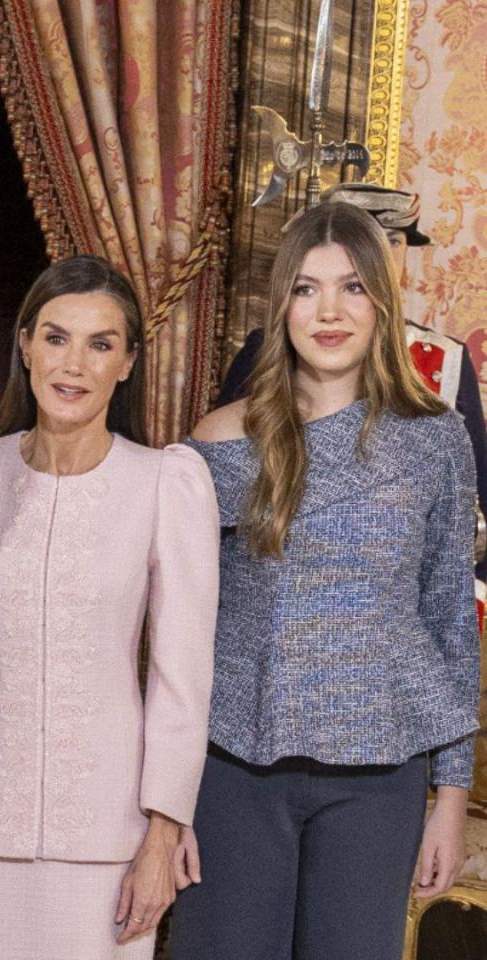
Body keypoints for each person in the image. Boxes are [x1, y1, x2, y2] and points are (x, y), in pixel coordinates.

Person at [171, 201, 479, 959]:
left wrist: (451, 796)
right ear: (282, 307)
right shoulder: (220, 439)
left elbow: (448, 618)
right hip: (235, 769)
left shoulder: (436, 440)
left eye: (351, 287)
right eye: (306, 289)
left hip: (380, 778)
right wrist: (163, 797)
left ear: (382, 301)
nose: (329, 311)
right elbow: (173, 626)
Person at [0, 256, 218, 959]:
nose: (74, 364)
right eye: (56, 337)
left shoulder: (166, 484)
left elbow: (181, 680)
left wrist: (162, 836)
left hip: (110, 836)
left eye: (101, 343)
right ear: (26, 344)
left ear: (128, 361)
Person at [216, 183, 487, 578]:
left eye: (392, 243)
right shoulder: (271, 348)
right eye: (362, 243)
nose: (376, 258)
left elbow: (477, 503)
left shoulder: (447, 358)